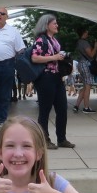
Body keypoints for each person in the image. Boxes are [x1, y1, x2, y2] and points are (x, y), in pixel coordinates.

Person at [30, 14, 75, 150]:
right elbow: (34, 58)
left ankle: (62, 138)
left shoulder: (54, 40)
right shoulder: (41, 40)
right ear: (46, 25)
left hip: (56, 77)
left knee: (62, 108)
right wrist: (54, 57)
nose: (57, 25)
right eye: (54, 23)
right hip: (45, 78)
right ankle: (44, 139)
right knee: (45, 110)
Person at [72, 27, 97, 114]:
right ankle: (86, 107)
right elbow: (91, 55)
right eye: (86, 32)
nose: (88, 34)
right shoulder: (84, 42)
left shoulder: (79, 42)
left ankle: (76, 106)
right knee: (88, 86)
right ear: (83, 33)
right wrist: (95, 47)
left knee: (84, 86)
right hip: (85, 65)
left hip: (81, 64)